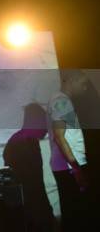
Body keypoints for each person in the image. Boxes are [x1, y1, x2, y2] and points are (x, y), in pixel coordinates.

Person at [47, 70, 90, 231]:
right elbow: (60, 136)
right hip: (70, 167)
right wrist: (77, 168)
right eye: (83, 83)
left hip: (68, 166)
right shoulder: (61, 101)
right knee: (76, 215)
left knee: (74, 213)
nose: (85, 88)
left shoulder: (60, 100)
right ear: (72, 80)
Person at [3, 103, 56, 232]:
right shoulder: (26, 142)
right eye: (43, 123)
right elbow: (34, 183)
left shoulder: (19, 139)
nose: (46, 128)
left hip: (26, 203)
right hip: (31, 205)